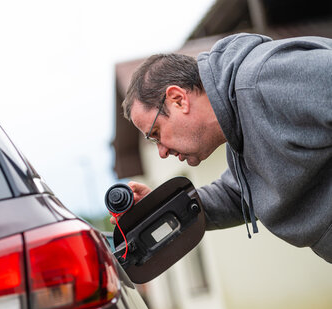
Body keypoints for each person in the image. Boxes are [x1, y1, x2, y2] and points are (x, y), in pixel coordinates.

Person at [119, 33, 332, 262]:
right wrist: (160, 207)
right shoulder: (240, 131)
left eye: (156, 133)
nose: (161, 152)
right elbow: (238, 194)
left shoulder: (264, 80)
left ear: (178, 99)